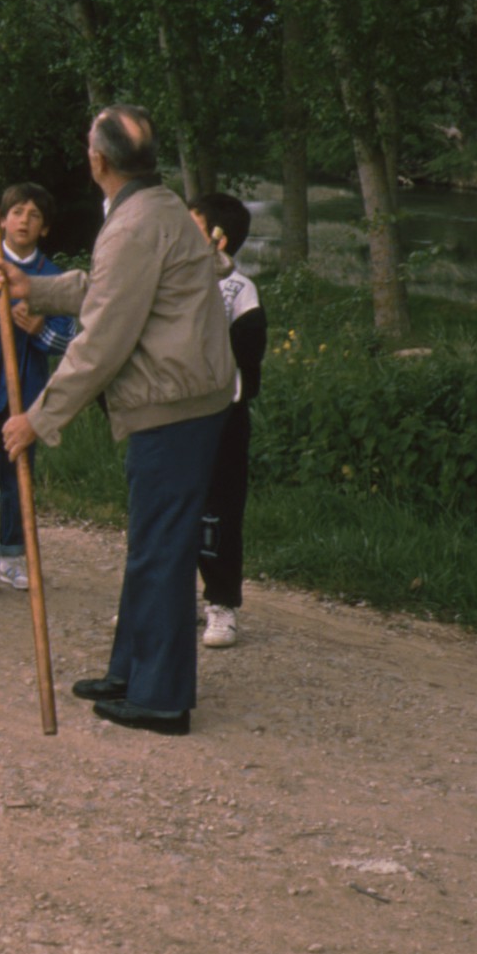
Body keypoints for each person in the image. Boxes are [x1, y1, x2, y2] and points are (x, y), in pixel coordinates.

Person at [0, 106, 233, 735]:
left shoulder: (135, 224)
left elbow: (100, 342)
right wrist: (31, 287)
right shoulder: (156, 208)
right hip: (185, 401)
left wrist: (37, 420)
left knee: (161, 549)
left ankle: (162, 698)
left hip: (174, 409)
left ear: (97, 160)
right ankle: (133, 671)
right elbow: (108, 287)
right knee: (150, 544)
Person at [0, 182, 75, 597]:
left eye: (34, 215)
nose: (24, 220)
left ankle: (11, 556)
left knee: (16, 476)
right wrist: (5, 314)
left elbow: (66, 341)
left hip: (27, 398)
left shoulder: (54, 277)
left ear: (44, 228)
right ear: (2, 219)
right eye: (17, 212)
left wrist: (38, 327)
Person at [188, 191, 267, 649]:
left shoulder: (242, 292)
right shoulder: (169, 281)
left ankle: (221, 601)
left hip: (222, 418)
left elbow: (247, 362)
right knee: (173, 509)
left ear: (219, 240)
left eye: (191, 229)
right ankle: (169, 598)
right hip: (177, 415)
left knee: (219, 512)